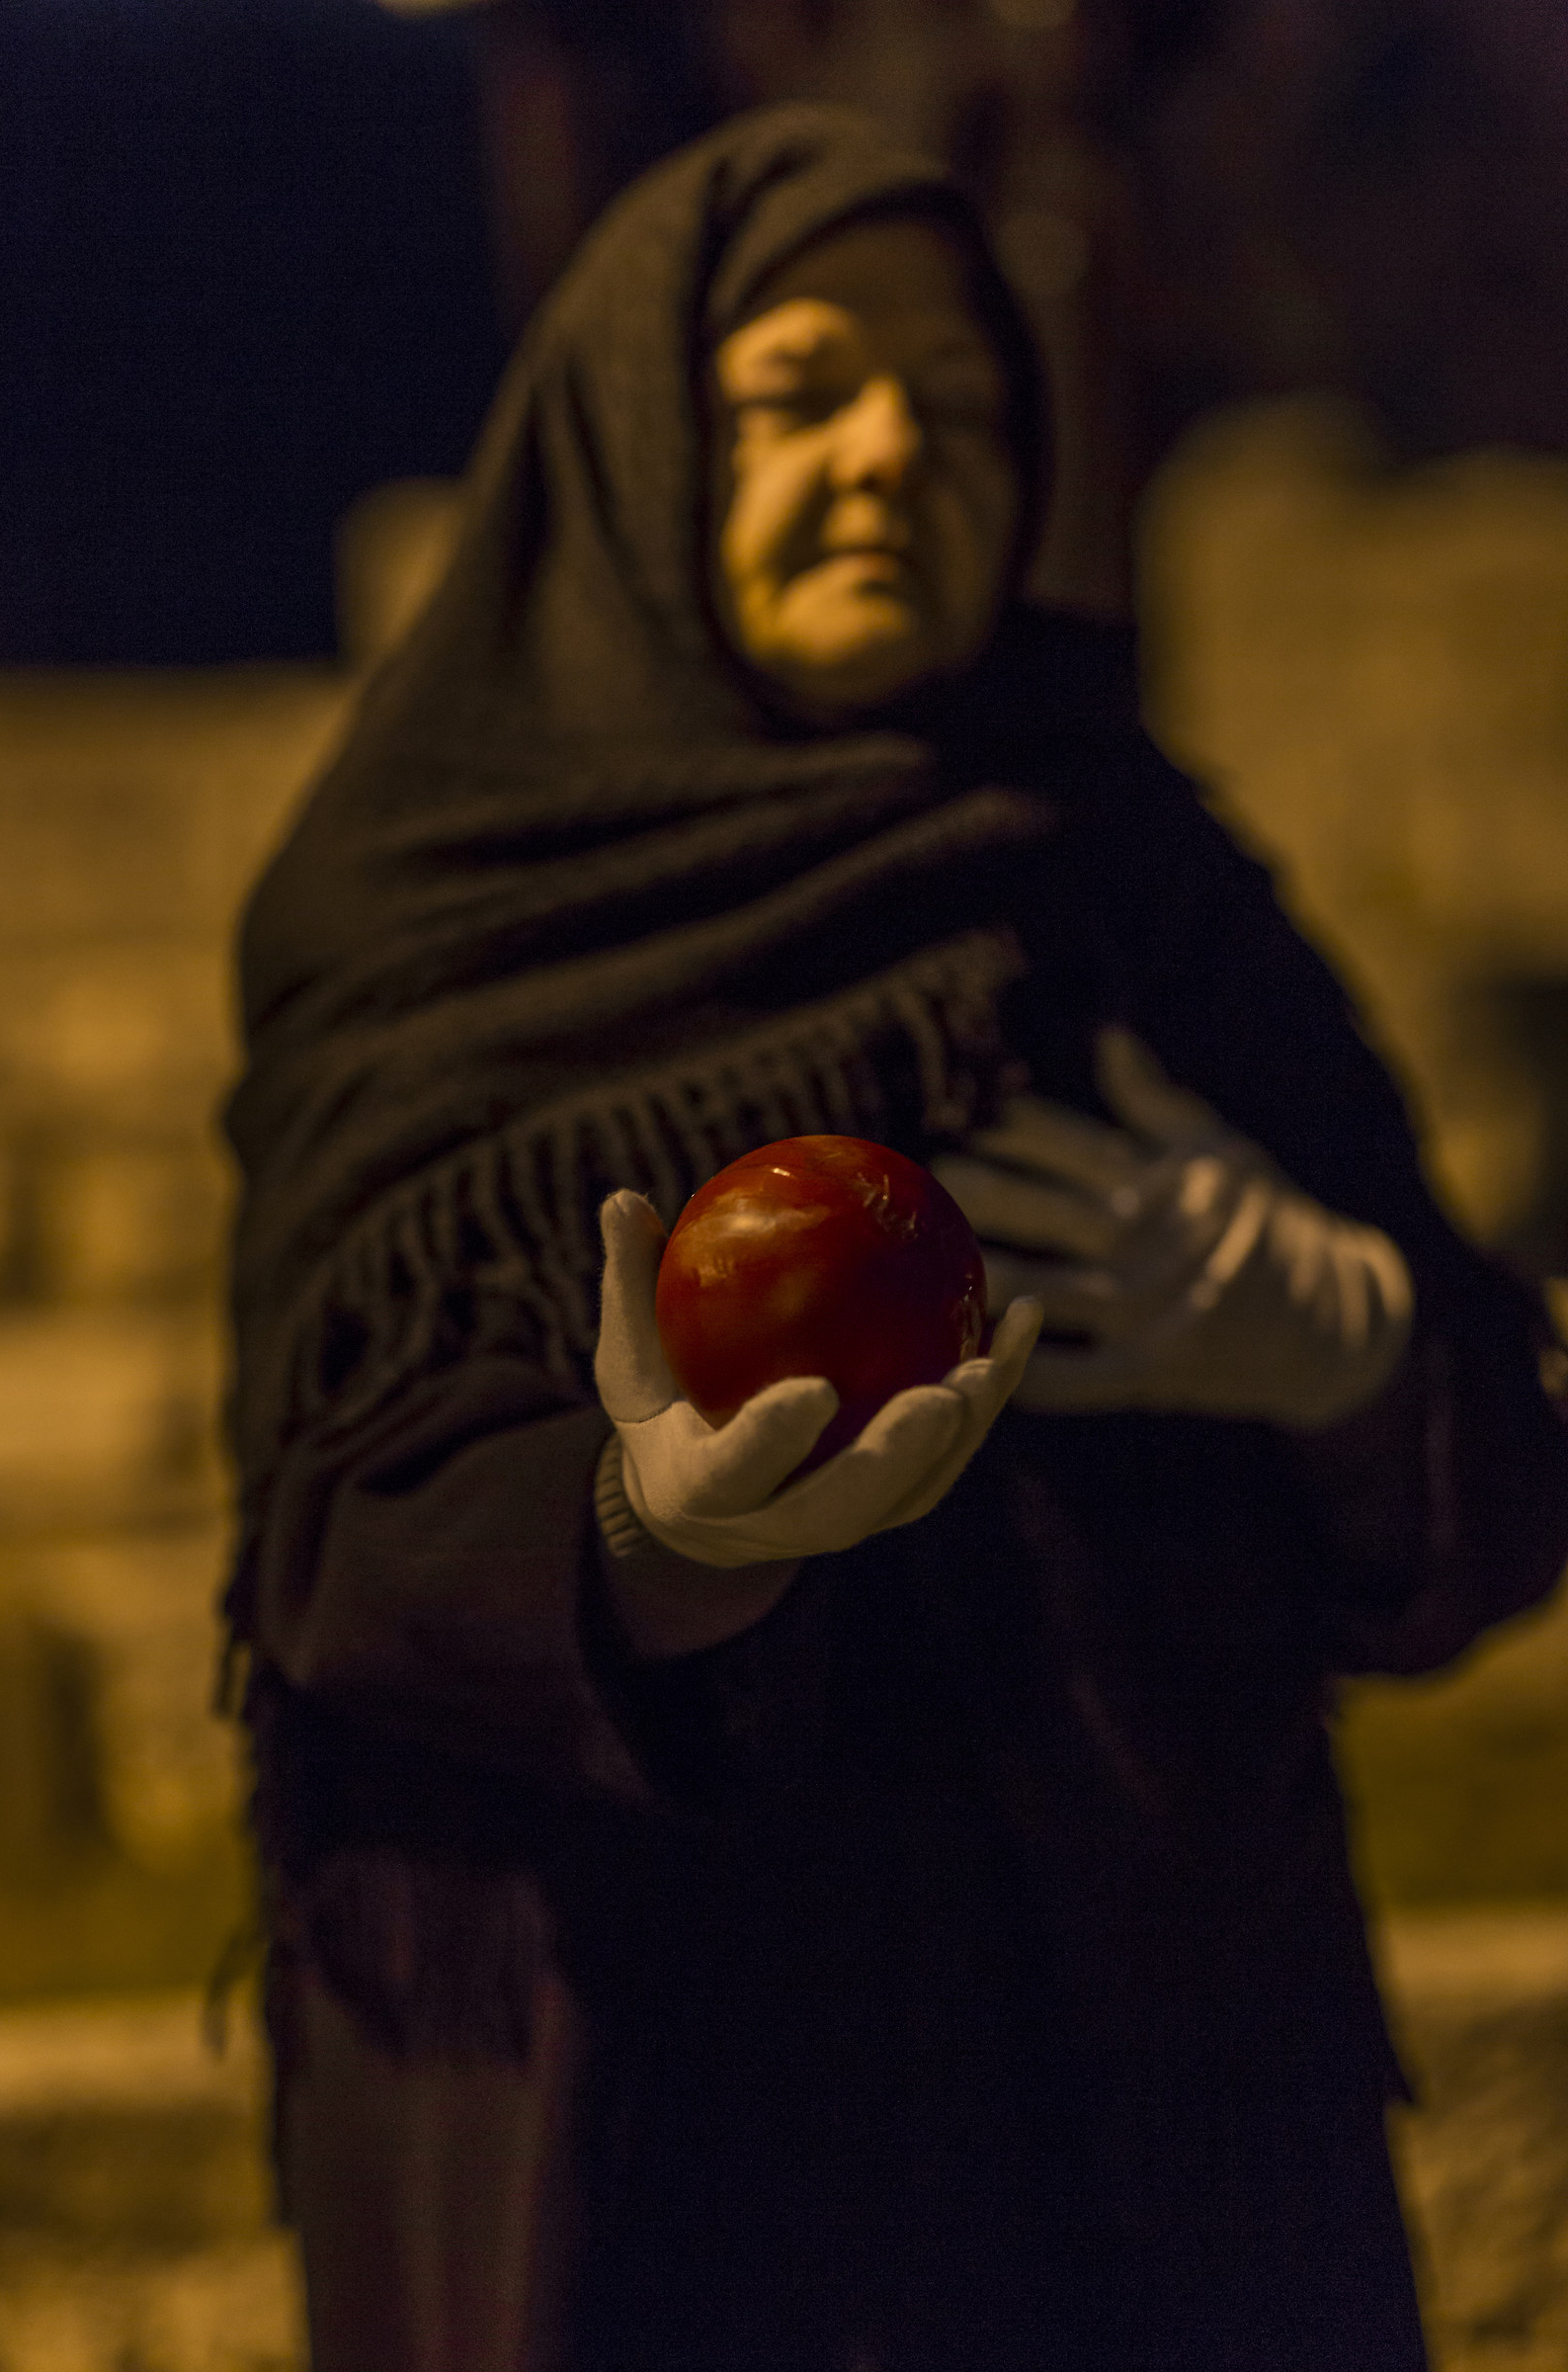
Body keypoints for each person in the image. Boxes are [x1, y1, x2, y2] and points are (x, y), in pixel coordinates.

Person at [221, 104, 1568, 2372]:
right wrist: (635, 1554)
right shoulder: (418, 906)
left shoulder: (1122, 872)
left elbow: (1483, 1507)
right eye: (795, 389)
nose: (883, 454)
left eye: (958, 408)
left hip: (1141, 2128)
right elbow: (334, 1544)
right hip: (638, 2125)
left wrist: (1353, 1370)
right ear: (631, 435)